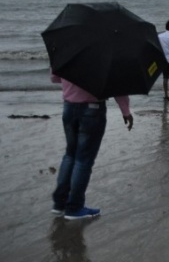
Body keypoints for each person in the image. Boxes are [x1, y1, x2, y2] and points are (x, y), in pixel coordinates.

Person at [50, 74, 133, 220]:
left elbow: (55, 78)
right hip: (92, 109)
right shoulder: (102, 58)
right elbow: (116, 83)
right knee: (83, 160)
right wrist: (125, 111)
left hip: (69, 107)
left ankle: (59, 203)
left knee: (70, 155)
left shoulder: (65, 57)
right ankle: (74, 207)